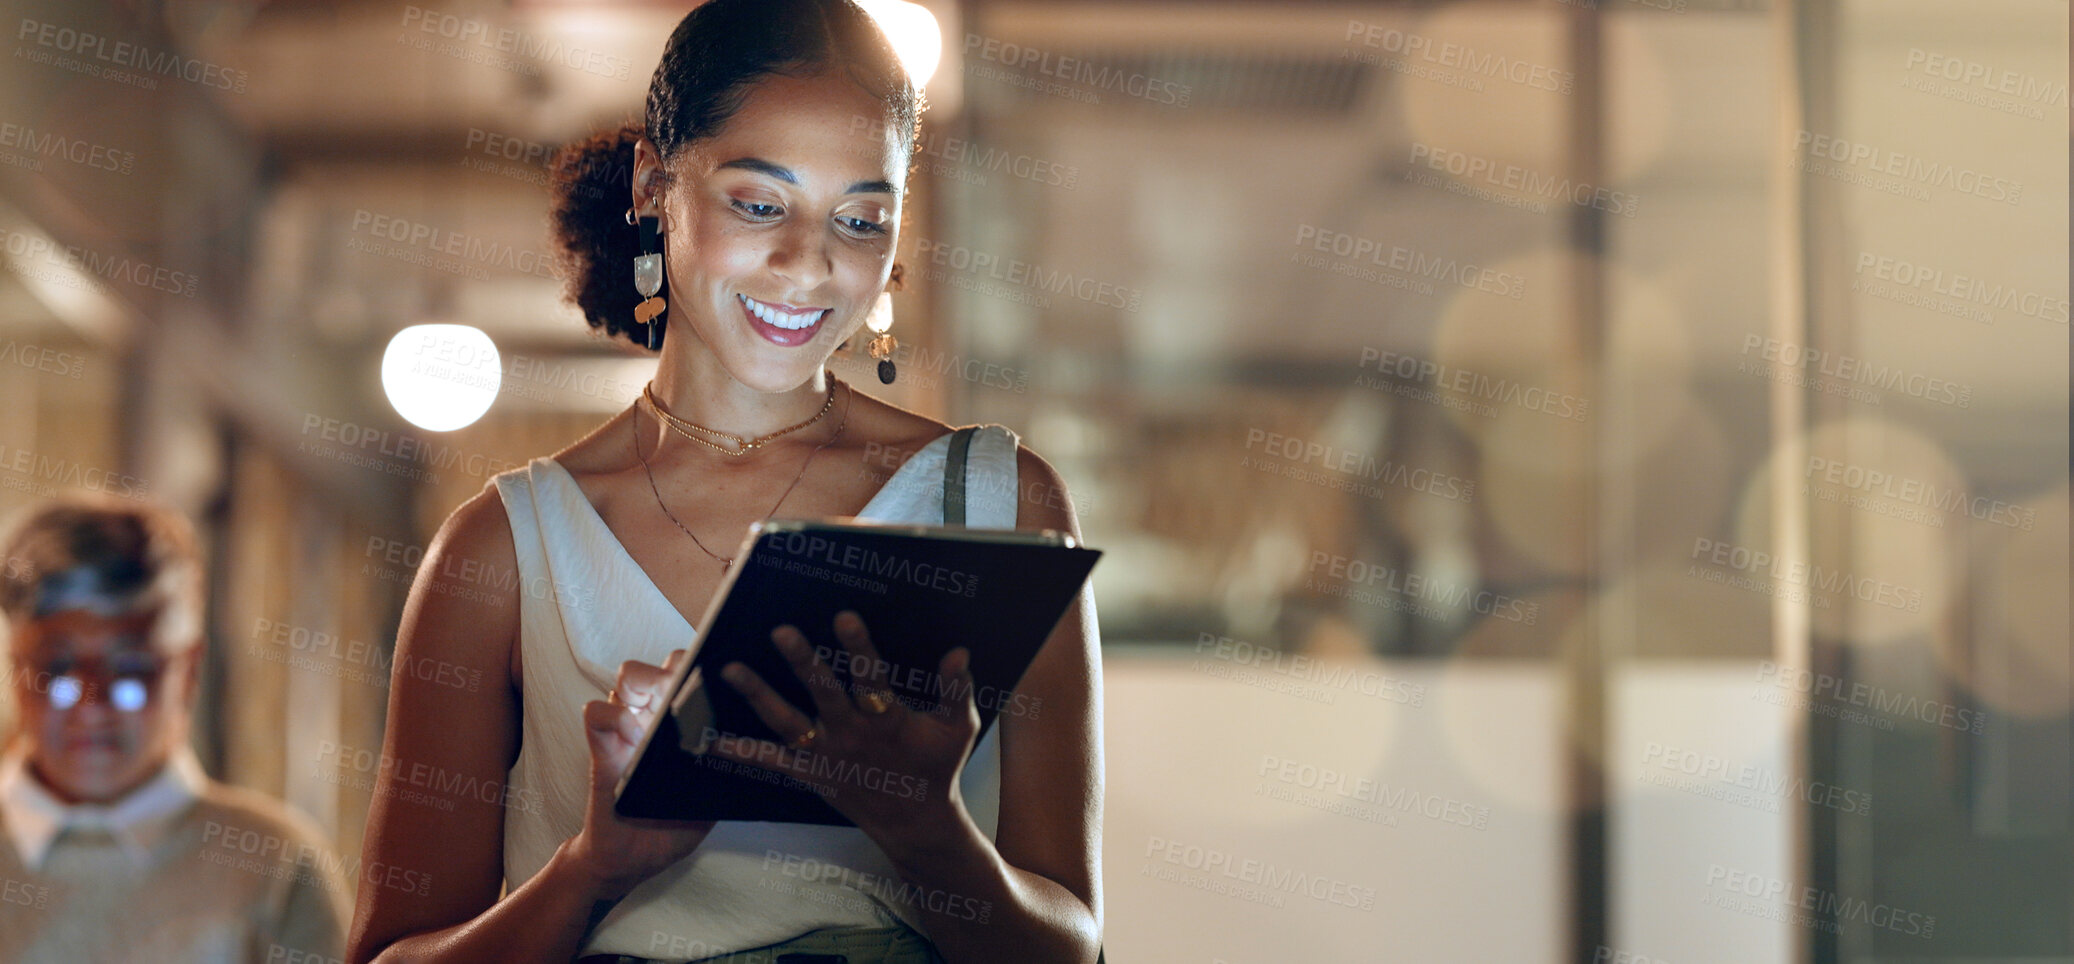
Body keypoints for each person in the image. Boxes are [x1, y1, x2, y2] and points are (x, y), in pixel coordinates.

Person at [345, 2, 1102, 962]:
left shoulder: (997, 504)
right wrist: (592, 867)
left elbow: (1074, 947)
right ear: (656, 186)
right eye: (758, 203)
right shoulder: (501, 550)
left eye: (861, 219)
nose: (809, 263)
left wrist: (925, 830)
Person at [0, 496, 351, 962]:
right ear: (16, 668)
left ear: (188, 671)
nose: (91, 704)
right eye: (57, 668)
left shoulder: (275, 864)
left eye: (129, 670)